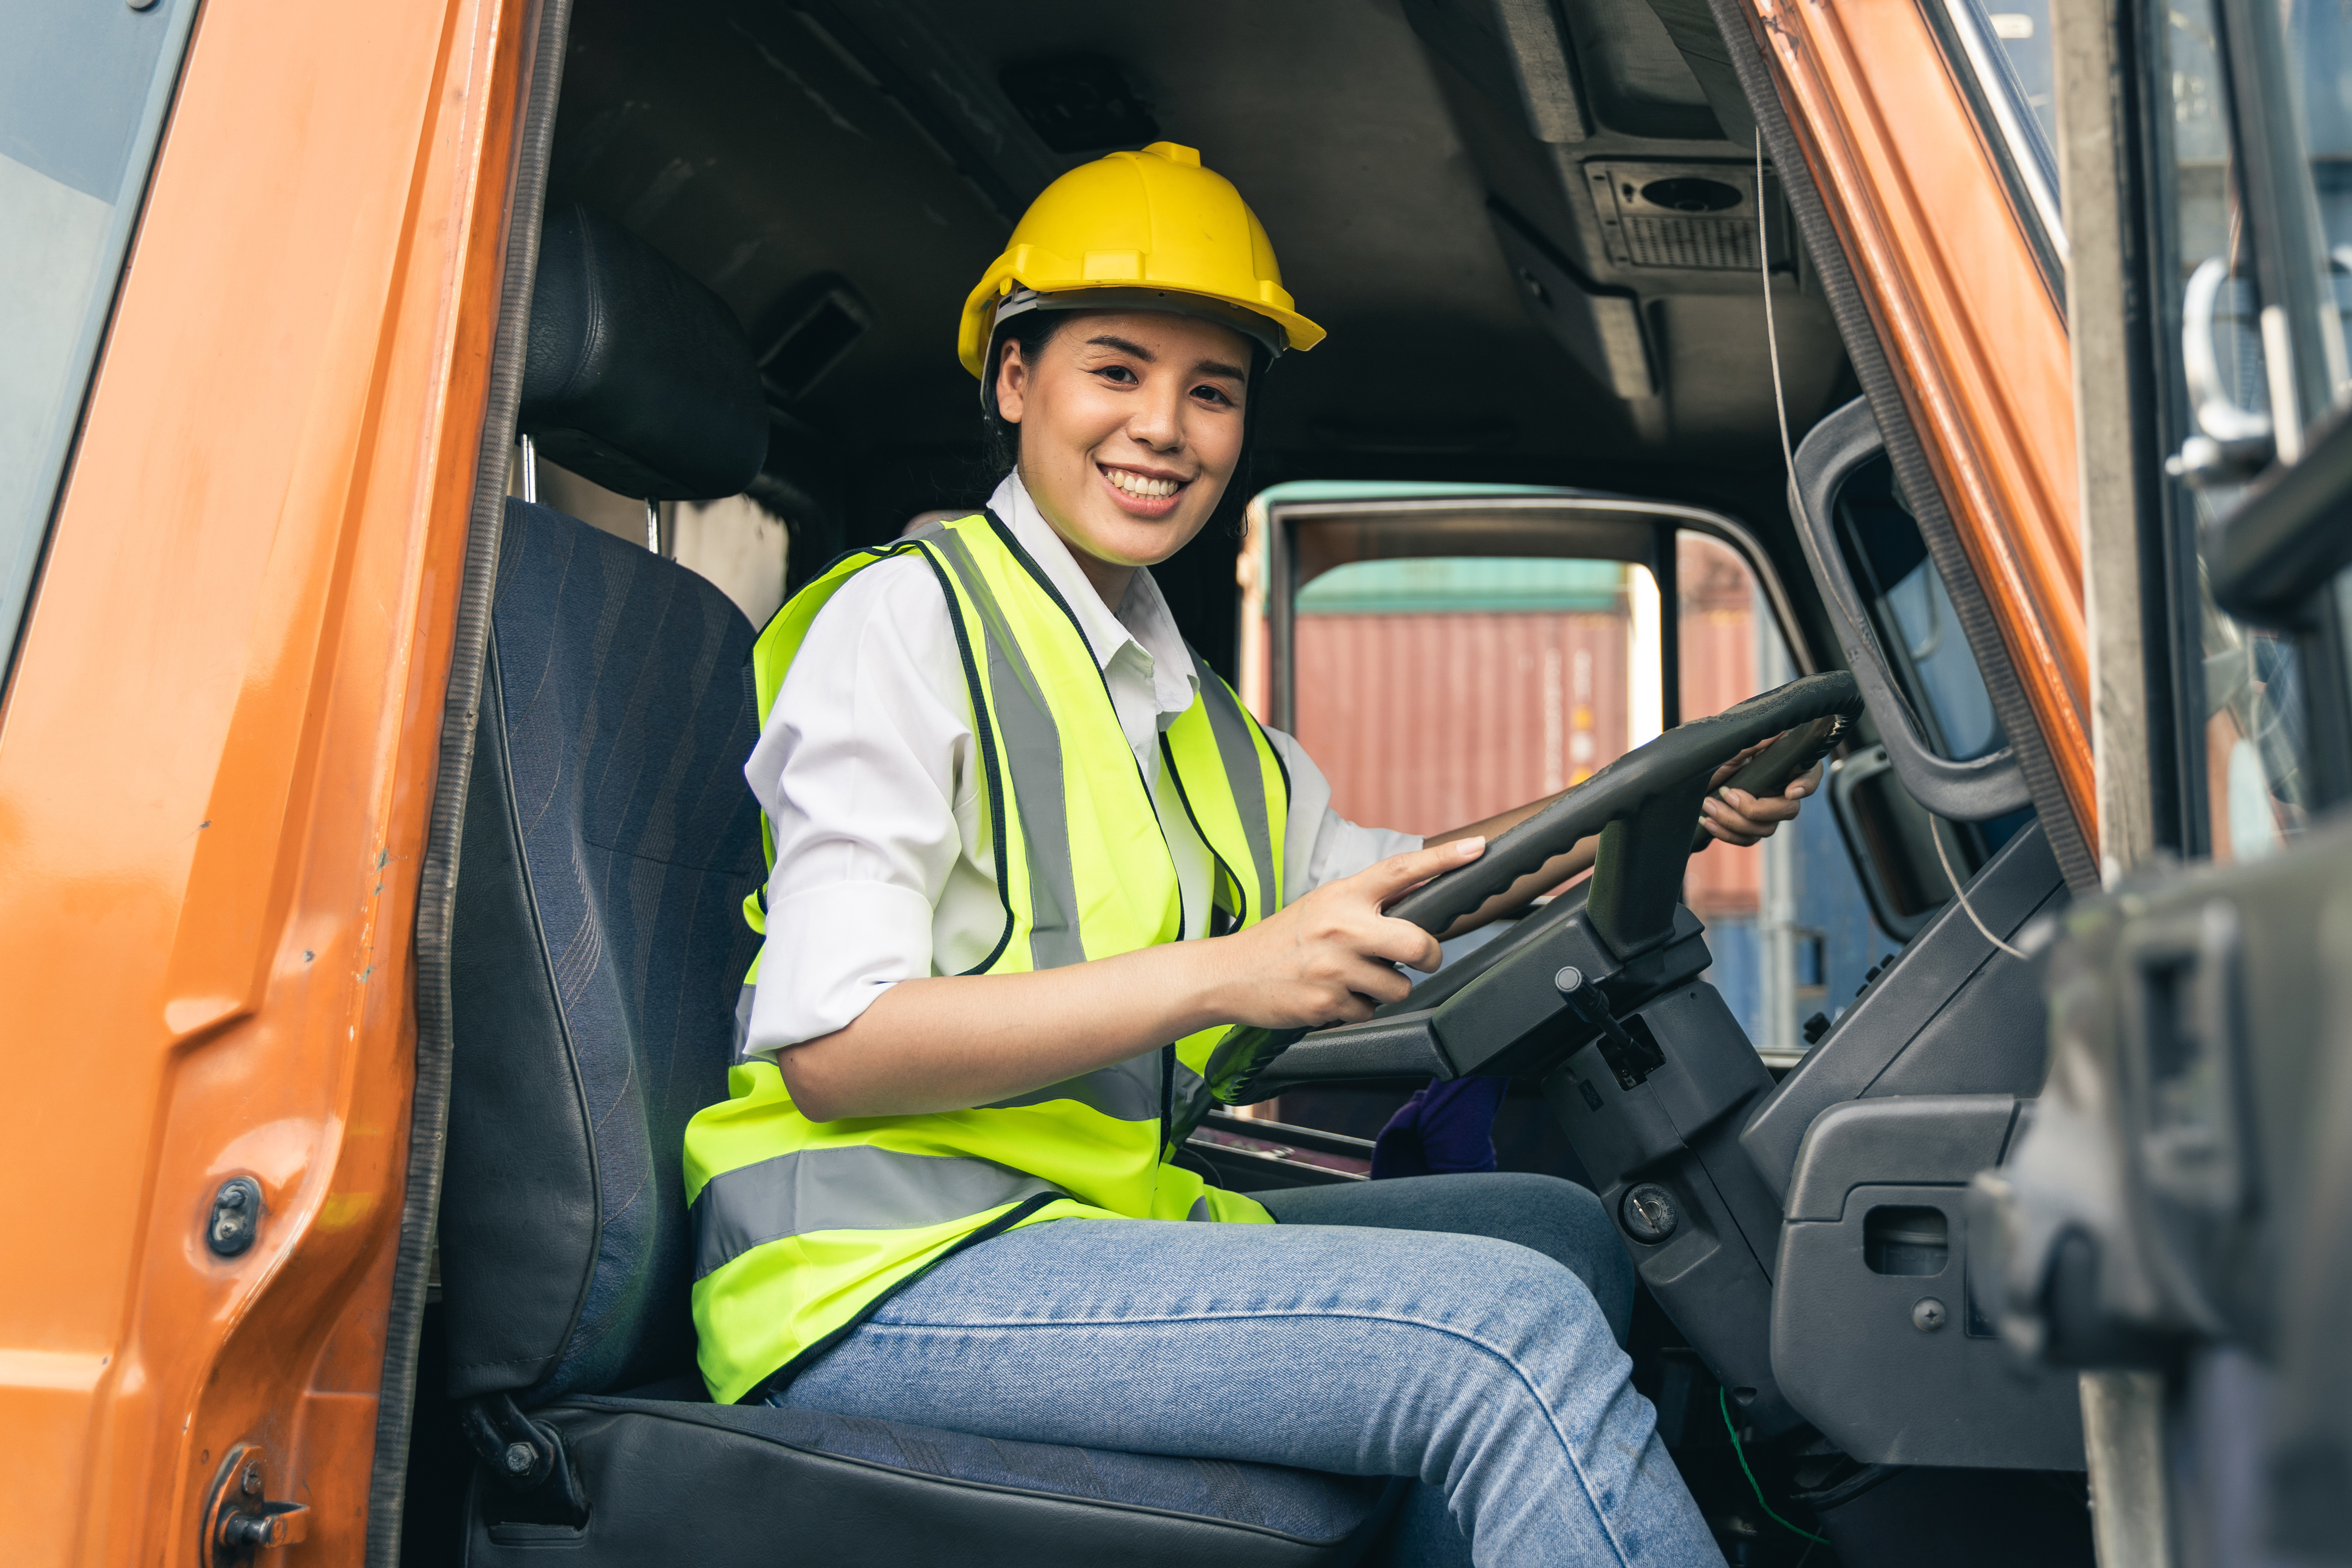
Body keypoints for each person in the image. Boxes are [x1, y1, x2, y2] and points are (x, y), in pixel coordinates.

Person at [683, 142, 1813, 1567]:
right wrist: (1228, 974)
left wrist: (1647, 811)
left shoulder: (1194, 713)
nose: (1164, 427)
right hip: (873, 1278)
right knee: (1501, 1332)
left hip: (1075, 1228)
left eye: (1209, 391)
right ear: (1014, 382)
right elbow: (833, 1048)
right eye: (1115, 370)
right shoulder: (902, 628)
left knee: (1550, 1234)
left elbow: (1413, 887)